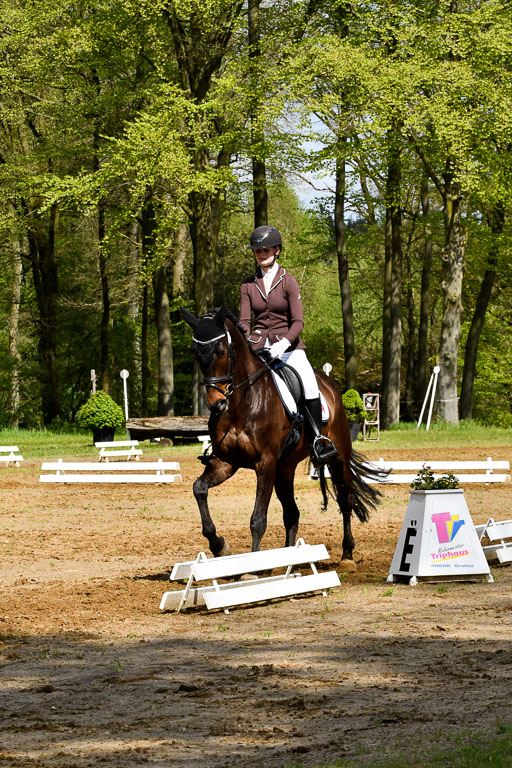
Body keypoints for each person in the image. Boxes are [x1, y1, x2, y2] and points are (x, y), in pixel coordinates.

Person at [239, 225, 337, 464]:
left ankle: (316, 441)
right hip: (259, 347)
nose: (261, 254)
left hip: (288, 349)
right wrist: (248, 344)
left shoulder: (288, 282)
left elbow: (298, 322)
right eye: (257, 251)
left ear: (277, 251)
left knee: (311, 386)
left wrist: (282, 344)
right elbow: (243, 321)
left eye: (266, 250)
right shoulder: (247, 286)